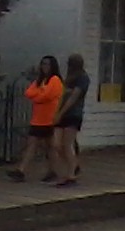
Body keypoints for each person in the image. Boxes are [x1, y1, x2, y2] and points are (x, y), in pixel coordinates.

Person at [6, 56, 62, 182]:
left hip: (48, 118)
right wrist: (39, 94)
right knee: (31, 144)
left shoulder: (55, 80)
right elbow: (29, 93)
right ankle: (21, 170)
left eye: (47, 64)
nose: (44, 67)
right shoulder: (40, 80)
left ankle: (52, 170)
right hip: (37, 119)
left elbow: (47, 96)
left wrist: (38, 96)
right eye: (43, 64)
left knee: (50, 146)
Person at [51, 53, 90, 187]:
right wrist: (56, 112)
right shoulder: (68, 79)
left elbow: (74, 97)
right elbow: (62, 95)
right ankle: (73, 164)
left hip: (74, 113)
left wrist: (61, 112)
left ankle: (71, 175)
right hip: (62, 113)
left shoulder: (83, 79)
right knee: (56, 144)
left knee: (67, 144)